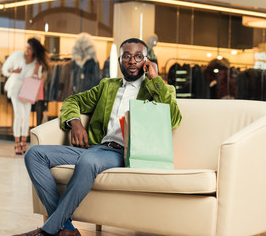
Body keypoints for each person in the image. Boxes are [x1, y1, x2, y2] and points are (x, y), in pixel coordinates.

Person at [16, 38, 182, 236]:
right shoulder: (107, 86)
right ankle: (66, 229)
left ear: (147, 61)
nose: (132, 61)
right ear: (119, 60)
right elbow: (73, 100)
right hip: (95, 149)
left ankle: (48, 231)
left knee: (88, 160)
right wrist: (75, 123)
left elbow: (172, 119)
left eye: (138, 57)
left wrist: (156, 79)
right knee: (34, 154)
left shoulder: (157, 88)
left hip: (123, 153)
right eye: (127, 56)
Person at [2, 37, 50, 155]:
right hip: (15, 88)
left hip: (28, 90)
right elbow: (4, 69)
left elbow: (37, 78)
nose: (26, 50)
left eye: (29, 48)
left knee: (27, 116)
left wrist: (36, 70)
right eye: (26, 47)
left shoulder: (36, 62)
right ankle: (16, 143)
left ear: (34, 50)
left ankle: (24, 142)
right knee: (18, 115)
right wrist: (14, 71)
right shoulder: (17, 55)